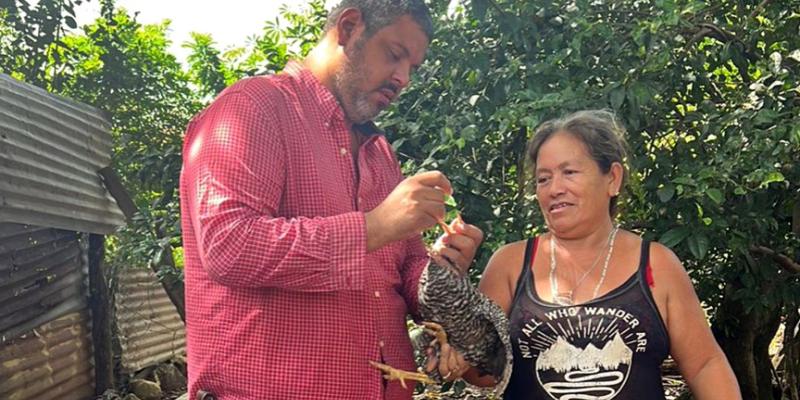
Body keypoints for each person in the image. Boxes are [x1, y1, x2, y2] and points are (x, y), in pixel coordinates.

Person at [178, 1, 482, 399]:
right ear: (349, 27)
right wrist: (372, 227)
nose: (403, 78)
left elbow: (403, 267)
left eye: (413, 68)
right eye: (395, 54)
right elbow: (229, 246)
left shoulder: (380, 153)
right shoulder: (253, 107)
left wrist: (440, 271)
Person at [462, 110, 740, 399]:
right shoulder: (510, 265)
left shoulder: (657, 264)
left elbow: (705, 365)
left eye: (569, 172)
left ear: (613, 178)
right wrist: (451, 279)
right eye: (543, 179)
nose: (554, 189)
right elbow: (480, 373)